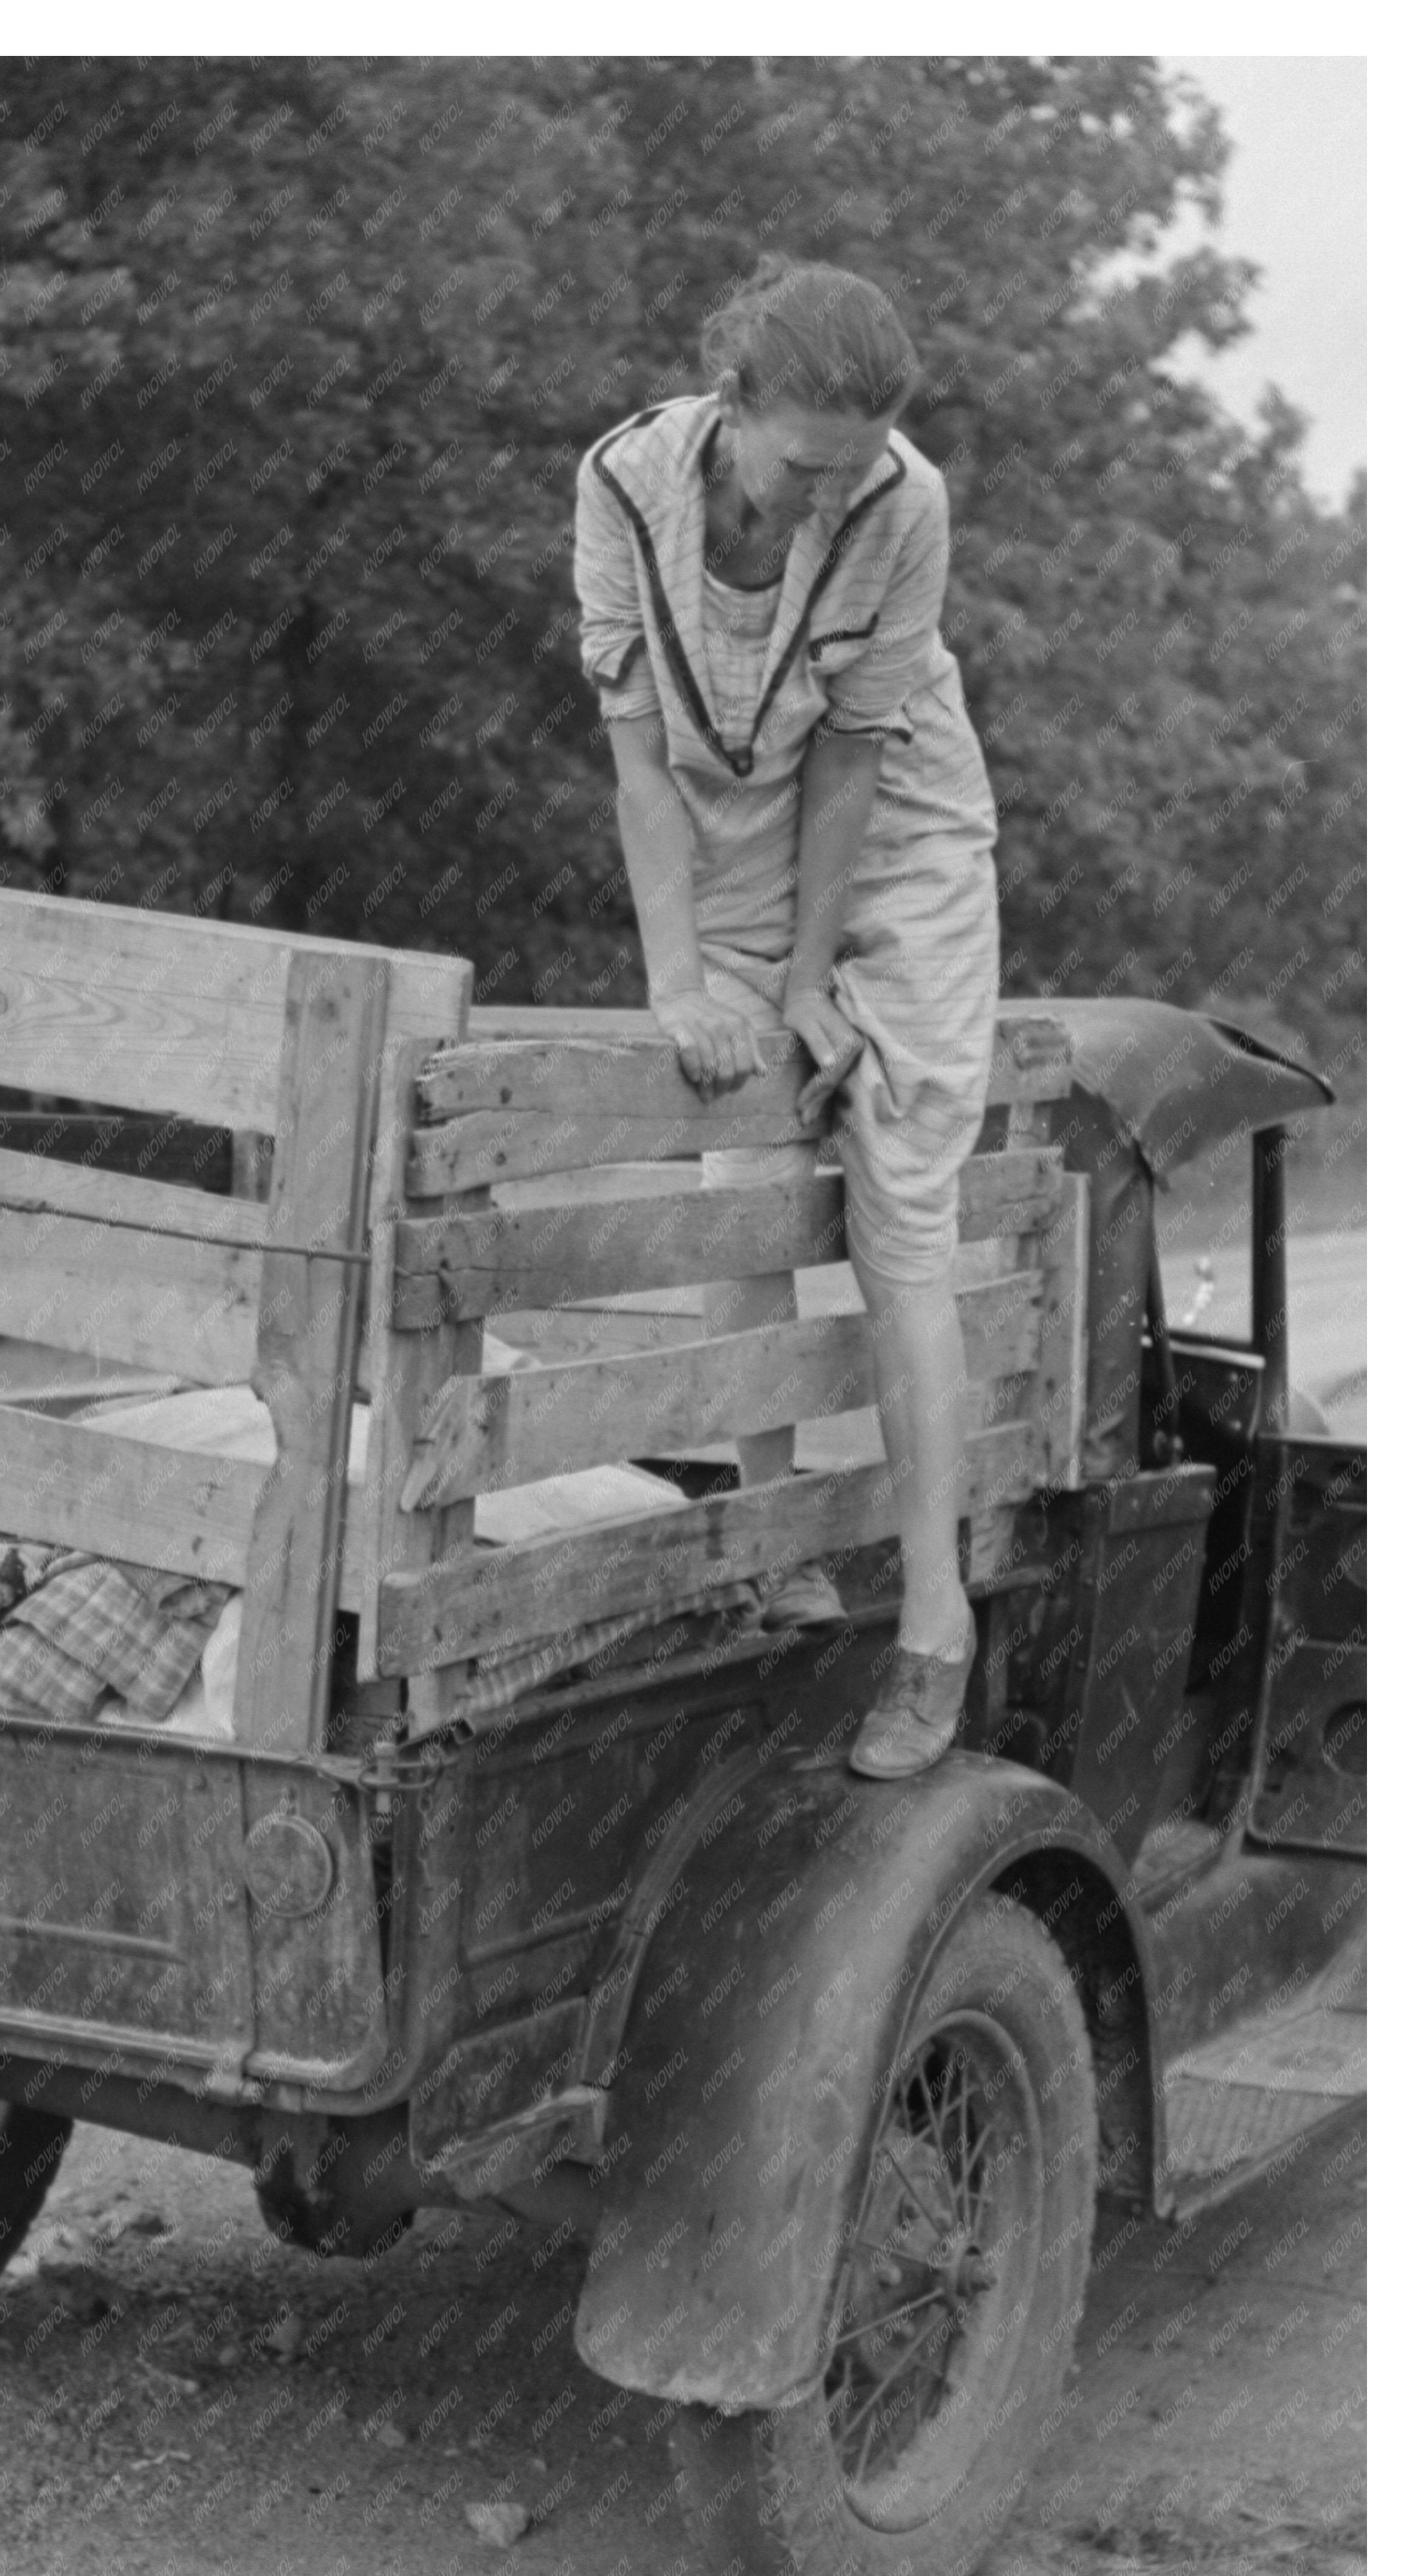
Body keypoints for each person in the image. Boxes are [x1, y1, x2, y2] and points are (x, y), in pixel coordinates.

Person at [572, 252, 1001, 1778]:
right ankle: (762, 1553)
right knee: (734, 1172)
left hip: (895, 825)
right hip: (721, 820)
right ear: (734, 403)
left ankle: (932, 1626)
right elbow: (637, 761)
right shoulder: (622, 487)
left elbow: (854, 759)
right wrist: (676, 982)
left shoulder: (902, 503)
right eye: (805, 465)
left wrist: (814, 977)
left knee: (897, 1198)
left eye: (854, 467)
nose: (828, 497)